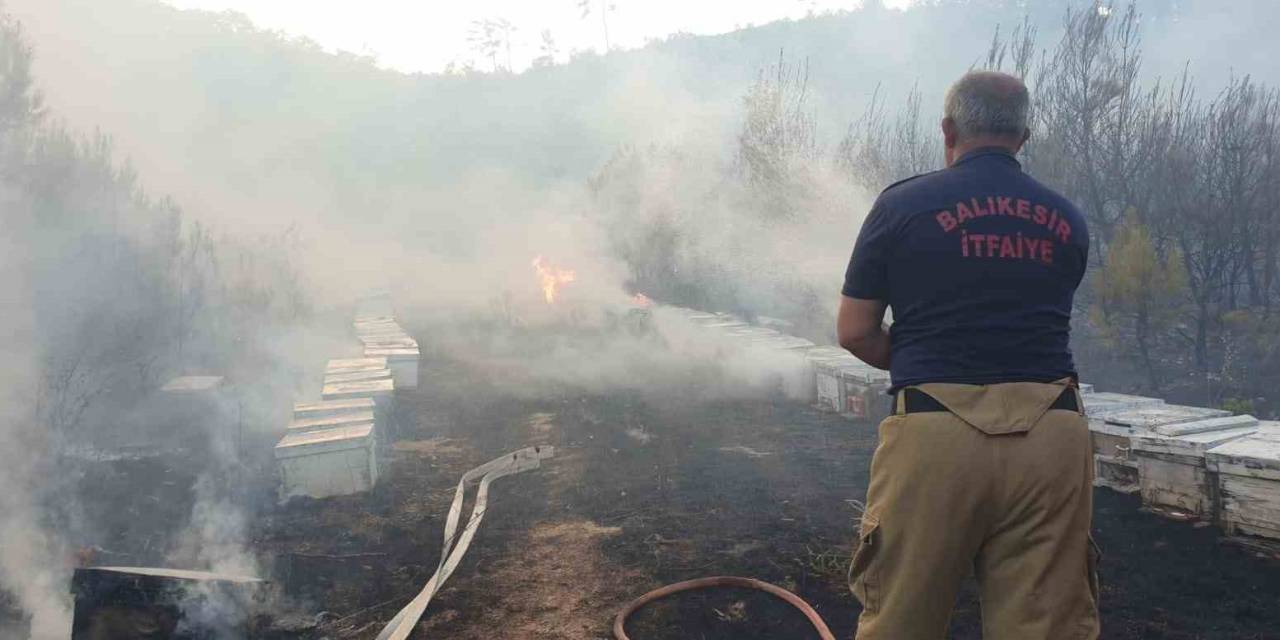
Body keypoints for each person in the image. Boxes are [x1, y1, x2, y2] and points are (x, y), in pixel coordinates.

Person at [836, 70, 1099, 640]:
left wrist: (926, 357)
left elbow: (855, 331)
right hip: (1053, 434)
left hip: (935, 433)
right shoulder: (1068, 219)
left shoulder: (901, 205)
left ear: (948, 129)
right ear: (1023, 137)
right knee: (1046, 625)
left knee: (902, 618)